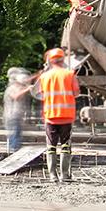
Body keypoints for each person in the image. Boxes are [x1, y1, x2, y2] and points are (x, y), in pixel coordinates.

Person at [39, 48, 80, 183]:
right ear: (63, 60)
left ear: (50, 61)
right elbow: (76, 93)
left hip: (50, 116)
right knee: (65, 146)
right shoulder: (70, 74)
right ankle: (65, 175)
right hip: (66, 116)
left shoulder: (44, 76)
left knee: (51, 147)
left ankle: (52, 175)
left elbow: (41, 93)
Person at [3, 68, 35, 153]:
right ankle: (13, 155)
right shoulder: (11, 88)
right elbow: (15, 96)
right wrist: (27, 89)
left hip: (17, 116)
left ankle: (14, 152)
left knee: (17, 137)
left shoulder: (19, 87)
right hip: (12, 116)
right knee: (14, 137)